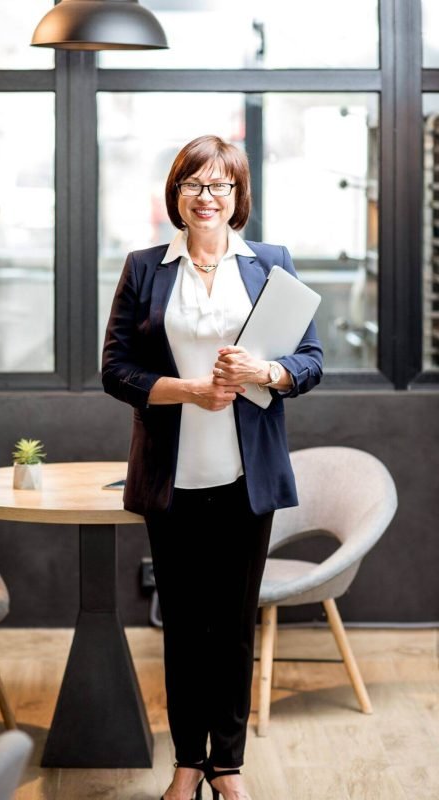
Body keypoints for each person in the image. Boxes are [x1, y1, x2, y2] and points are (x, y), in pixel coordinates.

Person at [101, 135, 323, 800]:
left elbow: (311, 360)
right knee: (183, 627)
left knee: (232, 625)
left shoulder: (270, 265)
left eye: (220, 185)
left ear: (237, 197)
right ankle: (186, 763)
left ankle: (227, 768)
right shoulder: (146, 268)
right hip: (172, 476)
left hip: (244, 477)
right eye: (194, 184)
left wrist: (269, 371)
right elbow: (115, 370)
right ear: (177, 194)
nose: (206, 197)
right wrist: (190, 391)